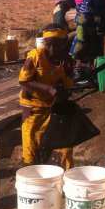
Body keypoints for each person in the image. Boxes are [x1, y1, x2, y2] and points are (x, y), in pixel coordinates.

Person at [19, 24, 74, 169]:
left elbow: (68, 85)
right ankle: (30, 177)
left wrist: (63, 89)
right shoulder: (35, 56)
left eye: (56, 46)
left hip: (53, 106)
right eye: (48, 45)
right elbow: (23, 81)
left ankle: (64, 178)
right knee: (31, 146)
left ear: (64, 44)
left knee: (63, 146)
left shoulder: (67, 61)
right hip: (33, 107)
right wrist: (48, 88)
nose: (51, 50)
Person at [71, 0, 101, 65]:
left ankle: (84, 59)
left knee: (88, 38)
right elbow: (89, 6)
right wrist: (96, 14)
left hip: (87, 19)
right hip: (82, 19)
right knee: (81, 40)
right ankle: (72, 58)